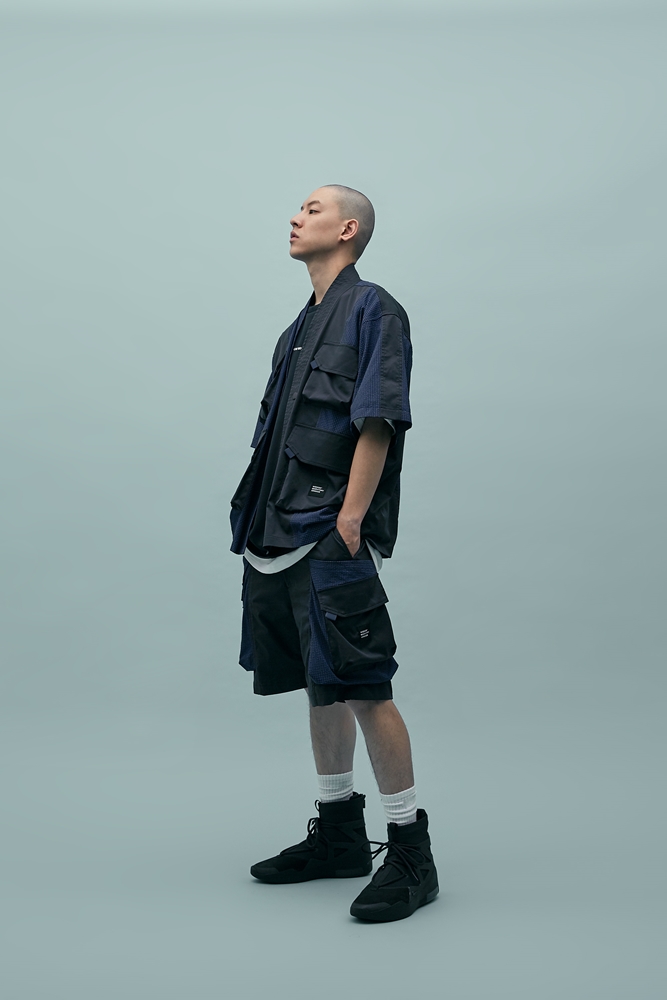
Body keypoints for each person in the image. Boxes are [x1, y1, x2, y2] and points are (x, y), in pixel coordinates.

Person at [230, 185, 438, 922]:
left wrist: (350, 518)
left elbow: (378, 420)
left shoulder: (375, 310)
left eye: (312, 208)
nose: (296, 216)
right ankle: (341, 833)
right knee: (320, 684)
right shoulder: (297, 328)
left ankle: (410, 853)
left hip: (327, 531)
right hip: (275, 533)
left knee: (362, 684)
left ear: (347, 229)